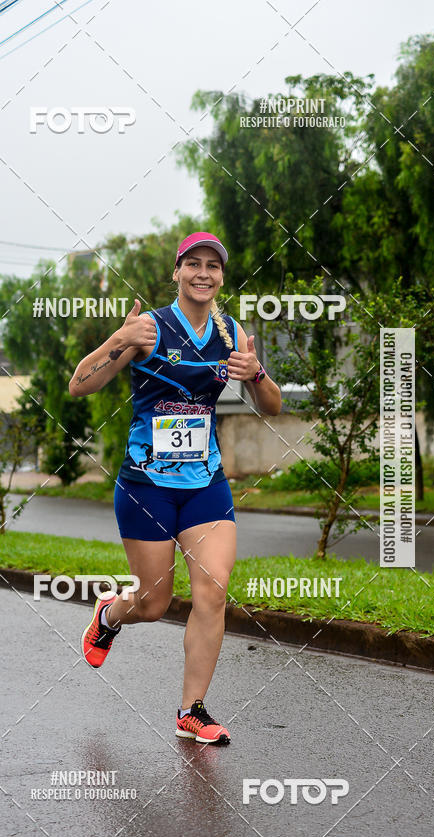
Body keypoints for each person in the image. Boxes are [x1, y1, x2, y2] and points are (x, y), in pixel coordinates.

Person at [69, 232, 282, 744]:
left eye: (213, 265)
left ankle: (192, 710)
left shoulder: (232, 334)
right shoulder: (148, 328)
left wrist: (256, 375)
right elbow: (80, 385)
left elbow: (273, 407)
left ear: (221, 277)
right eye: (193, 264)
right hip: (147, 486)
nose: (203, 273)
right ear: (178, 272)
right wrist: (119, 339)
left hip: (206, 484)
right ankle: (110, 615)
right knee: (153, 604)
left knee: (213, 591)